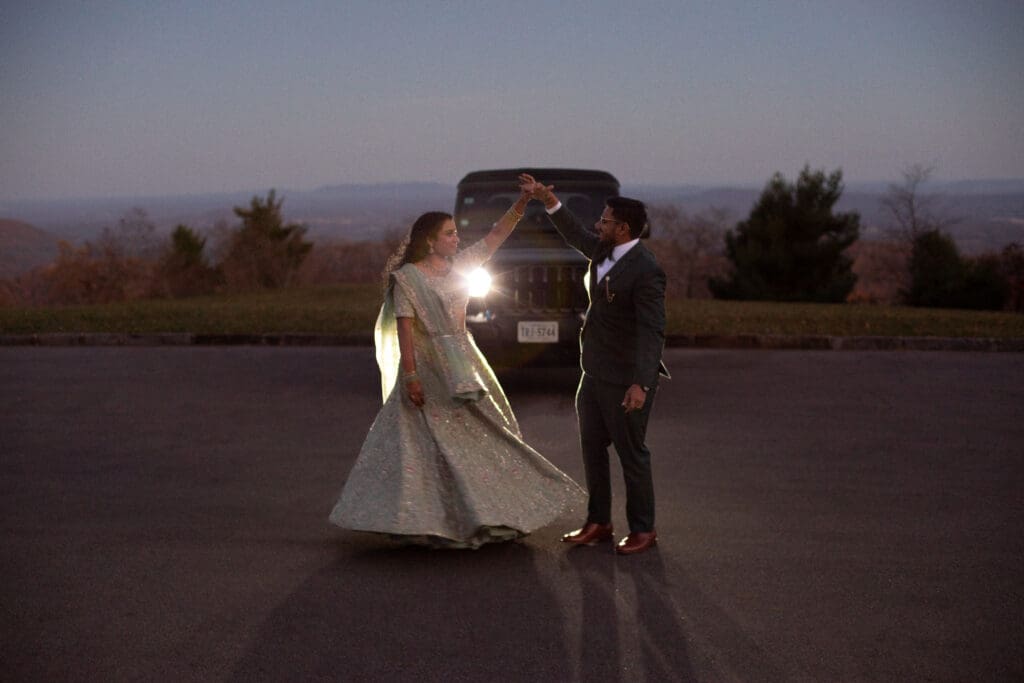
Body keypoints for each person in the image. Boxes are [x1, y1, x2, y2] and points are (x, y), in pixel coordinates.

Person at [329, 192, 586, 549]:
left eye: (455, 232)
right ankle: (426, 520)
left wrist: (523, 203)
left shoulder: (463, 266)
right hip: (427, 366)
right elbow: (405, 329)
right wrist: (411, 376)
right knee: (424, 444)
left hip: (464, 363)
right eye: (449, 233)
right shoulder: (407, 278)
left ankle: (492, 515)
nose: (456, 238)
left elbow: (495, 237)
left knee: (485, 435)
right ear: (430, 241)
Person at [519, 173, 668, 555]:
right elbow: (574, 233)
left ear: (622, 229)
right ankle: (599, 521)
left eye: (604, 221)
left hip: (626, 378)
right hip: (593, 373)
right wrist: (546, 200)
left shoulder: (646, 269)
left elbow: (653, 332)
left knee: (631, 453)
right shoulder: (602, 250)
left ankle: (643, 530)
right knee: (592, 448)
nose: (597, 225)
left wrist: (642, 384)